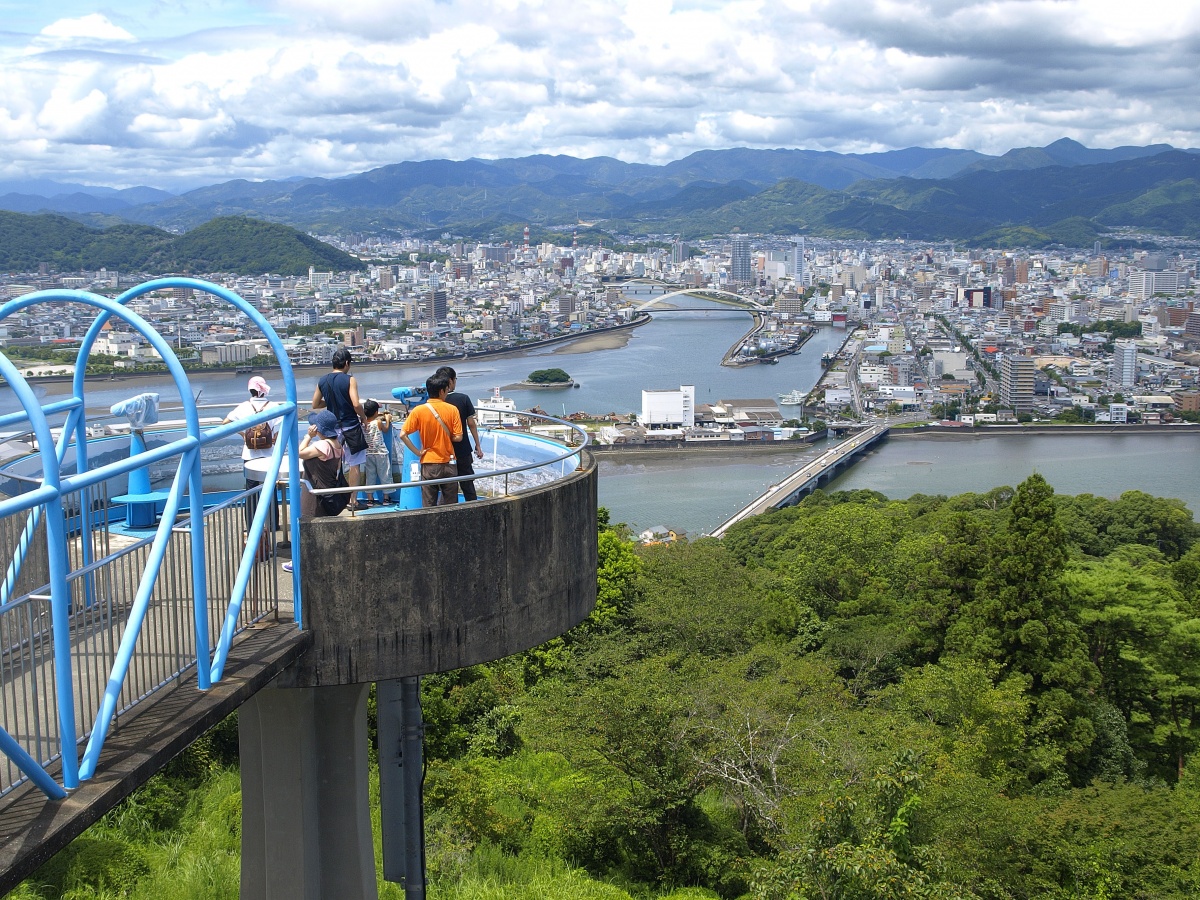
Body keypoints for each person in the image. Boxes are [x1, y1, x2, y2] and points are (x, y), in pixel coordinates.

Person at [283, 410, 348, 573]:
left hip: (314, 493)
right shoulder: (337, 445)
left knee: (306, 526)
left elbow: (298, 453)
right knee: (321, 527)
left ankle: (299, 561)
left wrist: (308, 437)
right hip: (329, 492)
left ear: (319, 429)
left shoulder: (322, 445)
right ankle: (320, 558)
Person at [222, 375, 281, 532]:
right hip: (269, 454)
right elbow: (284, 424)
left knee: (250, 491)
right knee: (270, 489)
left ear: (250, 390)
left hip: (249, 455)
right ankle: (274, 524)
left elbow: (225, 423)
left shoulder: (243, 407)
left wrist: (243, 434)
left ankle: (251, 526)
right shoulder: (274, 406)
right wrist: (274, 437)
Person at [311, 347, 367, 509]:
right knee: (354, 464)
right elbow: (356, 404)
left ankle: (333, 499)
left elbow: (315, 404)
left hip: (332, 429)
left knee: (334, 464)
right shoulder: (350, 380)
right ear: (347, 363)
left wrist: (330, 401)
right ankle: (352, 501)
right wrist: (363, 417)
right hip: (351, 427)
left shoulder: (323, 380)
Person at [399, 372, 463, 507]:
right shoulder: (452, 410)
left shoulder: (418, 411)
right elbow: (458, 437)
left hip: (428, 462)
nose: (447, 393)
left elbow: (403, 434)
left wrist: (417, 452)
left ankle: (429, 527)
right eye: (446, 390)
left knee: (428, 503)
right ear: (441, 391)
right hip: (448, 461)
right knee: (451, 504)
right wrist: (447, 436)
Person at [434, 366, 485, 501]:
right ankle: (474, 510)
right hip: (462, 449)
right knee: (467, 484)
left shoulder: (433, 402)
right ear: (450, 381)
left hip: (442, 451)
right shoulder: (463, 398)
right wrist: (478, 446)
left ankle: (447, 514)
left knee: (447, 488)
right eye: (455, 379)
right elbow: (471, 424)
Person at [361, 399, 393, 505]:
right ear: (376, 412)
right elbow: (386, 429)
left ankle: (370, 499)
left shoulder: (362, 423)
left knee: (370, 476)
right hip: (381, 453)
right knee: (385, 474)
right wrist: (387, 419)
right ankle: (386, 498)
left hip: (368, 453)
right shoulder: (378, 422)